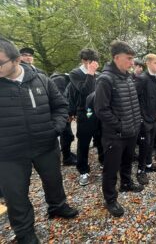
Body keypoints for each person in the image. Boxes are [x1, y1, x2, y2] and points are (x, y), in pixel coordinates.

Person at [0, 37, 78, 243]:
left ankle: (58, 206)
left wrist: (55, 129)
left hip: (45, 145)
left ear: (17, 60)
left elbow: (61, 106)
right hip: (9, 154)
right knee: (16, 196)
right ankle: (25, 233)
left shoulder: (41, 80)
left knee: (54, 181)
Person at [94, 40, 144, 217]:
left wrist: (136, 122)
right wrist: (120, 125)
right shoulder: (105, 79)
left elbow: (132, 102)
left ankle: (126, 183)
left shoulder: (128, 77)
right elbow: (101, 109)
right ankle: (110, 199)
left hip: (131, 131)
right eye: (129, 58)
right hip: (115, 135)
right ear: (116, 58)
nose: (132, 63)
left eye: (133, 59)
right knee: (110, 168)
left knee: (127, 161)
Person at [69, 49, 104, 186]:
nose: (93, 65)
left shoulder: (99, 75)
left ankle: (103, 161)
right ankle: (83, 170)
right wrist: (90, 73)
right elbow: (85, 91)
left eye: (95, 62)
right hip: (85, 111)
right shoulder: (75, 74)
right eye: (89, 62)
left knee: (101, 138)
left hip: (99, 111)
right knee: (83, 142)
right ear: (83, 61)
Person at [135, 54, 156, 186]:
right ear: (148, 63)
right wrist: (140, 117)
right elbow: (135, 99)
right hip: (144, 119)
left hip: (153, 118)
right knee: (144, 145)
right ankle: (140, 170)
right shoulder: (142, 79)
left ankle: (148, 164)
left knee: (151, 143)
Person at [50, 73, 78, 166]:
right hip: (59, 113)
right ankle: (67, 158)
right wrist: (69, 113)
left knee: (67, 135)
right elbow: (62, 99)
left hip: (61, 111)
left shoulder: (65, 79)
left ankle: (68, 154)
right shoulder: (60, 81)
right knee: (67, 135)